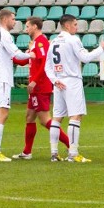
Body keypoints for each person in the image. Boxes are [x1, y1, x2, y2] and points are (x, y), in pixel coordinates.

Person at [45, 14, 104, 163]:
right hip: (72, 81)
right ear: (67, 26)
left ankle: (54, 153)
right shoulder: (73, 39)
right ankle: (73, 153)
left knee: (57, 118)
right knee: (76, 116)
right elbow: (86, 58)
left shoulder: (54, 41)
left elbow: (47, 66)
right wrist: (102, 47)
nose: (77, 27)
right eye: (75, 24)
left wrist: (54, 80)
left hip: (58, 82)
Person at [13, 16, 71, 160]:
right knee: (29, 117)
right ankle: (27, 152)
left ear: (34, 27)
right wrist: (9, 56)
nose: (26, 29)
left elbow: (45, 63)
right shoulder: (35, 43)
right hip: (36, 87)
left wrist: (34, 81)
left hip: (40, 87)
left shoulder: (41, 42)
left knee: (45, 120)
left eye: (27, 26)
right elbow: (24, 61)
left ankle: (71, 145)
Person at [0, 9, 33, 162]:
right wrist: (32, 54)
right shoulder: (4, 35)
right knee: (3, 112)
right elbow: (16, 54)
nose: (15, 21)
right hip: (2, 77)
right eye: (13, 19)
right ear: (5, 19)